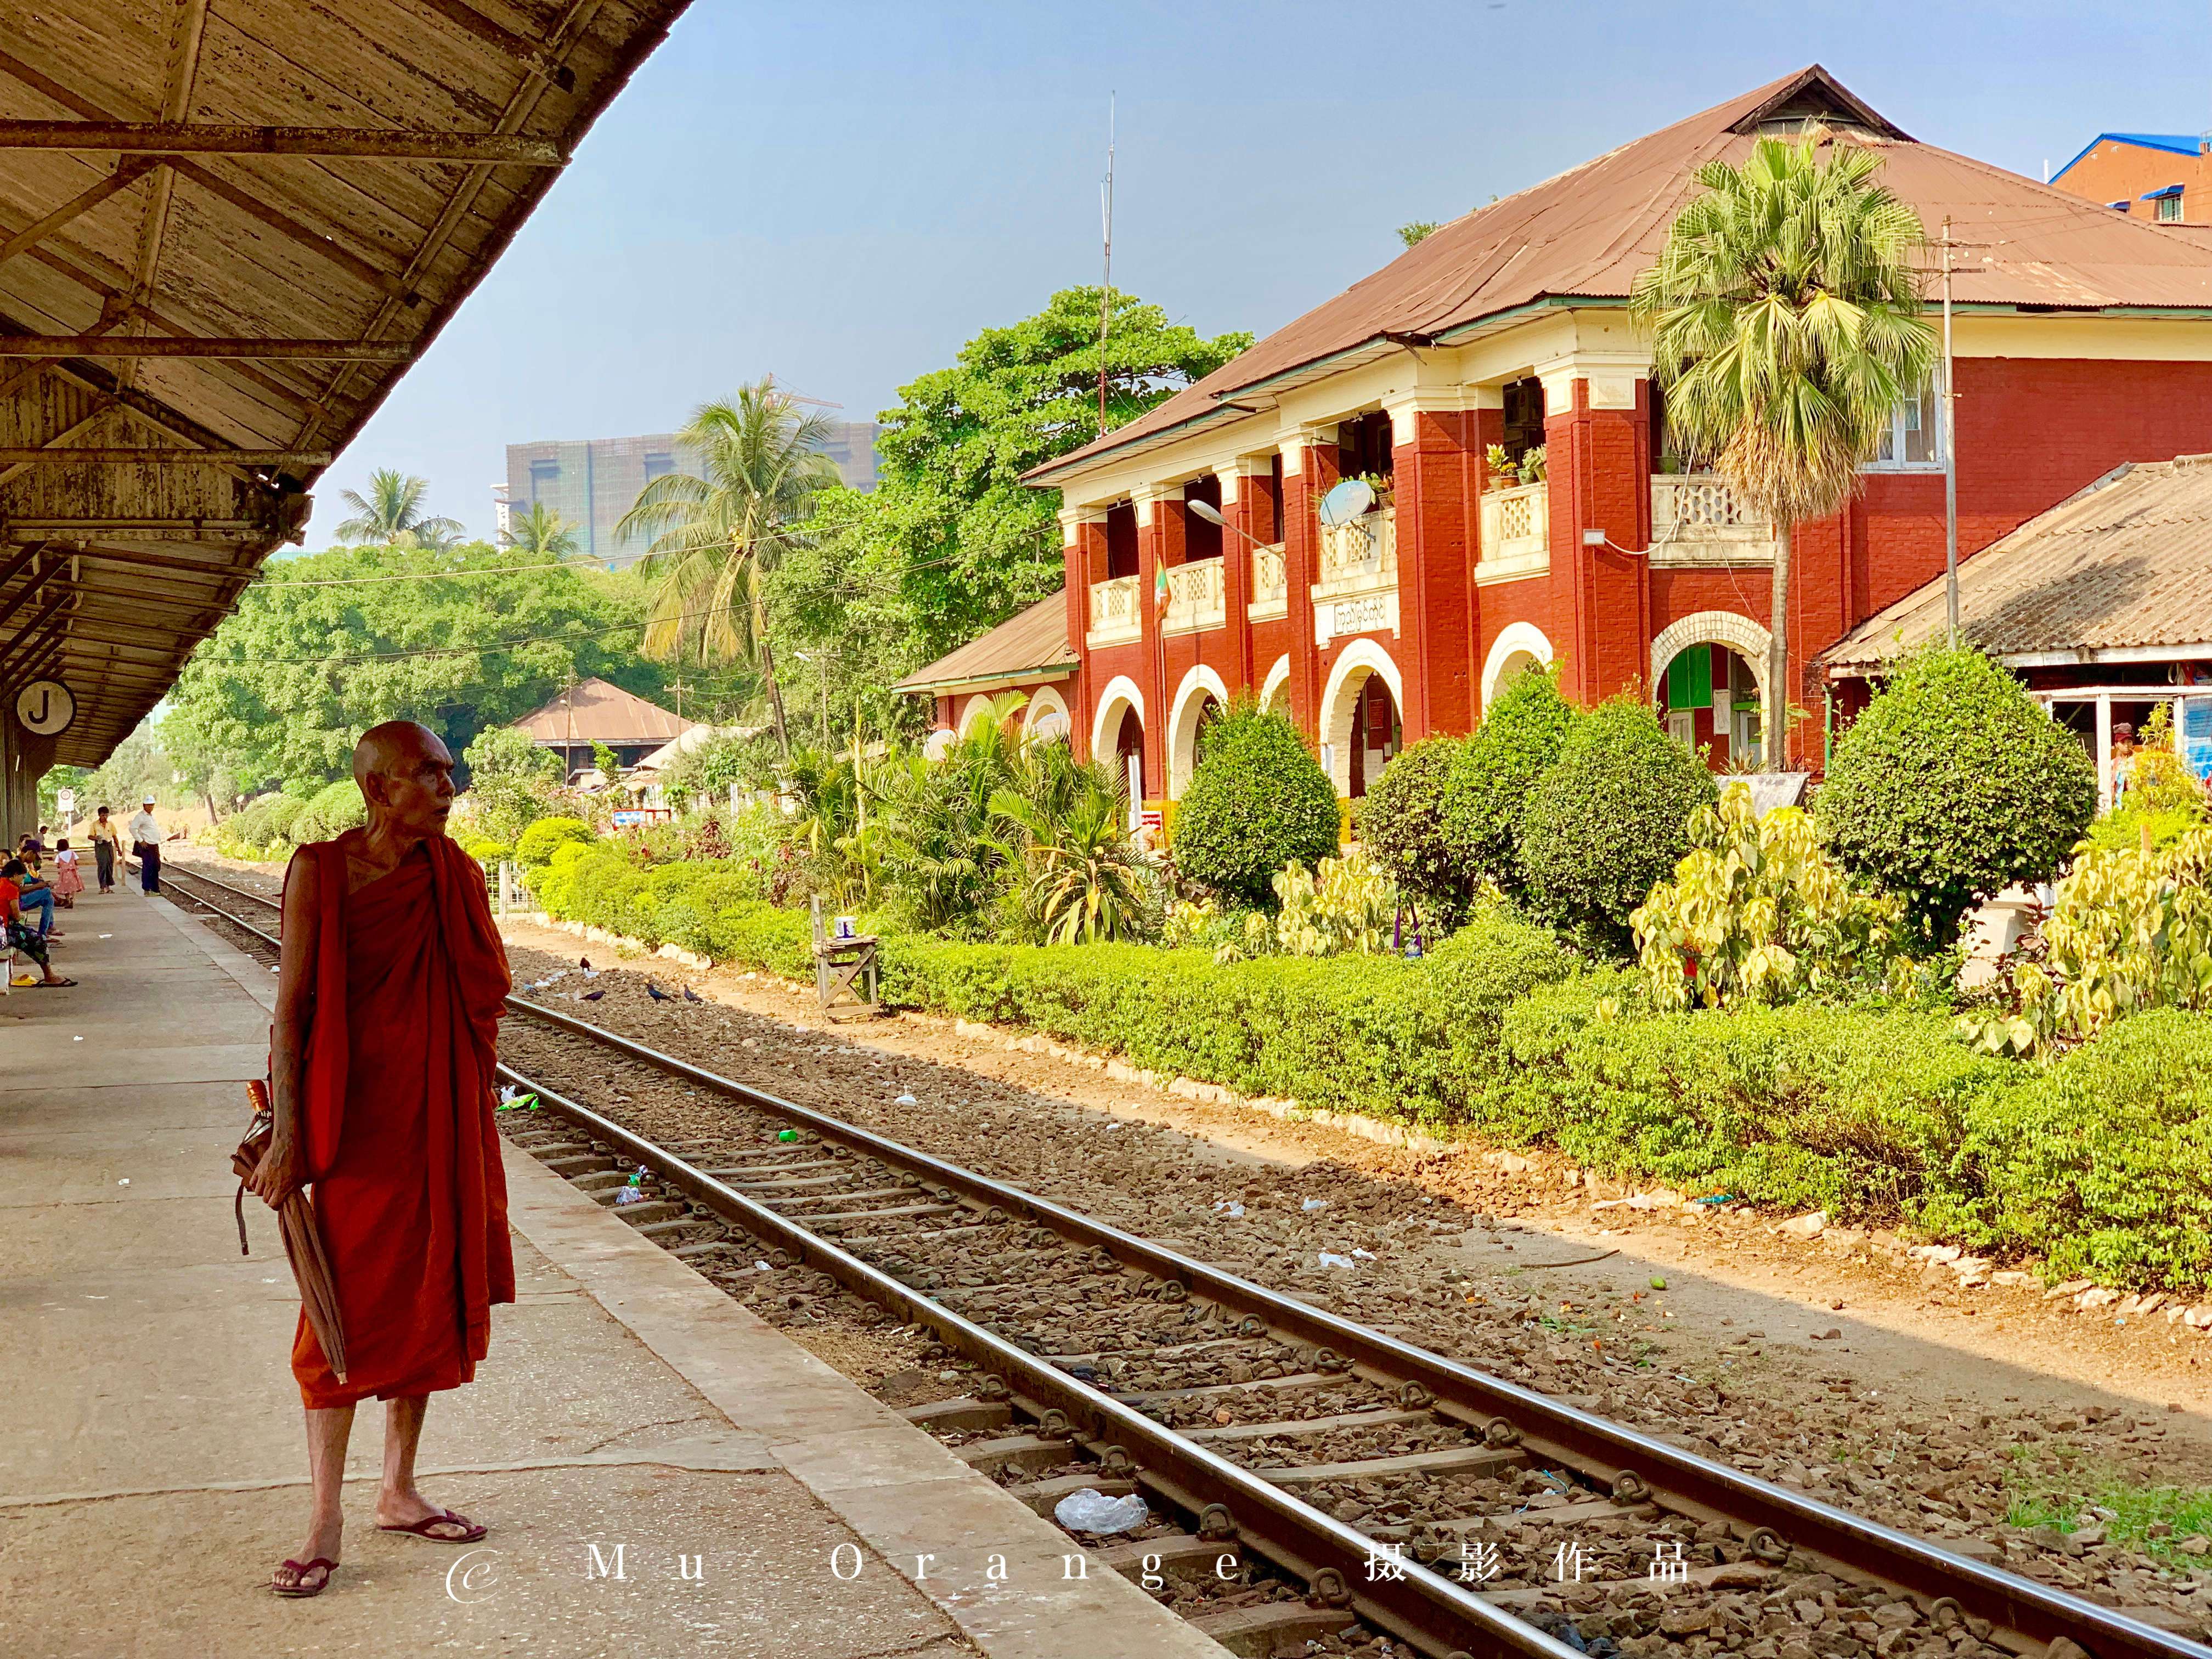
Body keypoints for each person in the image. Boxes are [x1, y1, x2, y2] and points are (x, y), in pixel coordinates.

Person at [246, 721, 514, 1599]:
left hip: (439, 1116)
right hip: (356, 1128)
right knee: (340, 1316)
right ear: (377, 790)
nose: (448, 788)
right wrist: (287, 1136)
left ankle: (397, 1491)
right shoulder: (321, 873)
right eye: (426, 775)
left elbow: (482, 999)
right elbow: (291, 1013)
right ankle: (323, 1517)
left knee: (430, 1293)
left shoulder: (454, 875)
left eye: (448, 771)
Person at [1, 861, 72, 987]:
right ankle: (49, 975)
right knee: (38, 940)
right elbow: (17, 916)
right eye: (22, 878)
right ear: (15, 875)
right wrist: (19, 917)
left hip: (4, 926)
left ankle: (49, 974)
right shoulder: (11, 888)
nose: (22, 881)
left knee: (29, 934)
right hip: (4, 931)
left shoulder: (2, 882)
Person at [127, 794, 163, 894]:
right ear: (144, 805)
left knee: (156, 866)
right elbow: (132, 828)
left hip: (154, 844)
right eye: (148, 805)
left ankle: (155, 889)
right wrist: (140, 840)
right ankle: (147, 889)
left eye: (152, 805)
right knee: (148, 867)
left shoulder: (151, 817)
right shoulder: (140, 816)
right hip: (147, 845)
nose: (150, 807)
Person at [91, 806, 120, 894]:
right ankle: (102, 887)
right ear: (99, 815)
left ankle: (108, 886)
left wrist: (118, 848)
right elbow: (90, 836)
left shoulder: (110, 824)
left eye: (106, 815)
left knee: (110, 865)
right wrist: (96, 838)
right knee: (102, 866)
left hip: (109, 845)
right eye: (103, 815)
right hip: (100, 846)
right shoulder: (94, 825)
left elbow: (115, 836)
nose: (105, 817)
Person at [51, 838, 82, 908]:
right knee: (74, 887)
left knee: (66, 888)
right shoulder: (72, 853)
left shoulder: (59, 856)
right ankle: (72, 898)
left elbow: (58, 865)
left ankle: (68, 900)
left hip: (64, 874)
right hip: (73, 873)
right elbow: (77, 862)